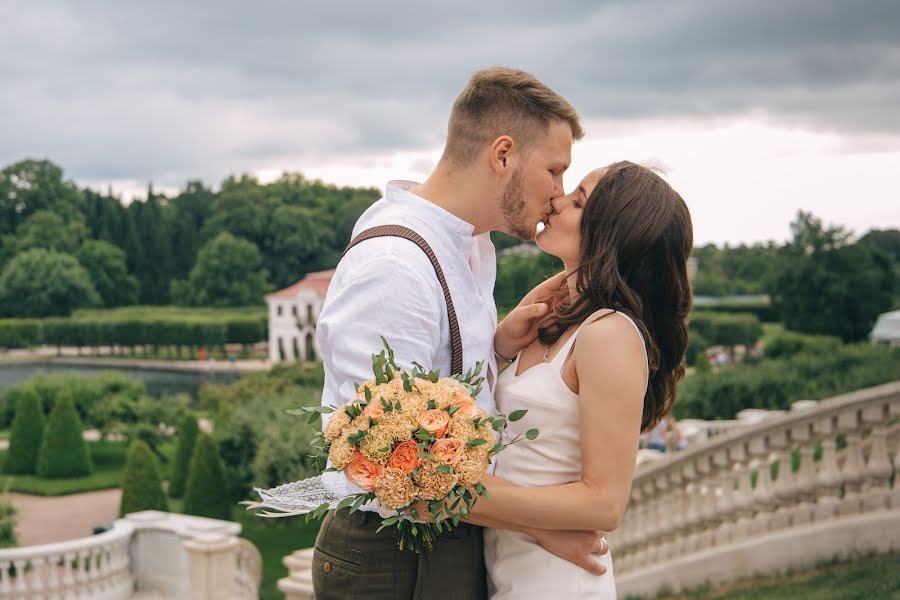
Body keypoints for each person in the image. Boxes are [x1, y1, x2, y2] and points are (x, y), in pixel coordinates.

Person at [312, 66, 608, 600]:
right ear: (503, 155)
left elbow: (431, 388)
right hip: (396, 553)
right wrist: (536, 522)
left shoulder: (469, 246)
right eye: (555, 170)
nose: (559, 195)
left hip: (448, 532)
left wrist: (495, 345)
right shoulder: (394, 266)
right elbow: (386, 456)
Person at [459, 162, 694, 598]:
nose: (557, 199)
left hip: (556, 582)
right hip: (507, 571)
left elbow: (604, 503)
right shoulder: (553, 319)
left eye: (579, 201)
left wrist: (457, 494)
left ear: (610, 233)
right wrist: (499, 347)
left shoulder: (609, 334)